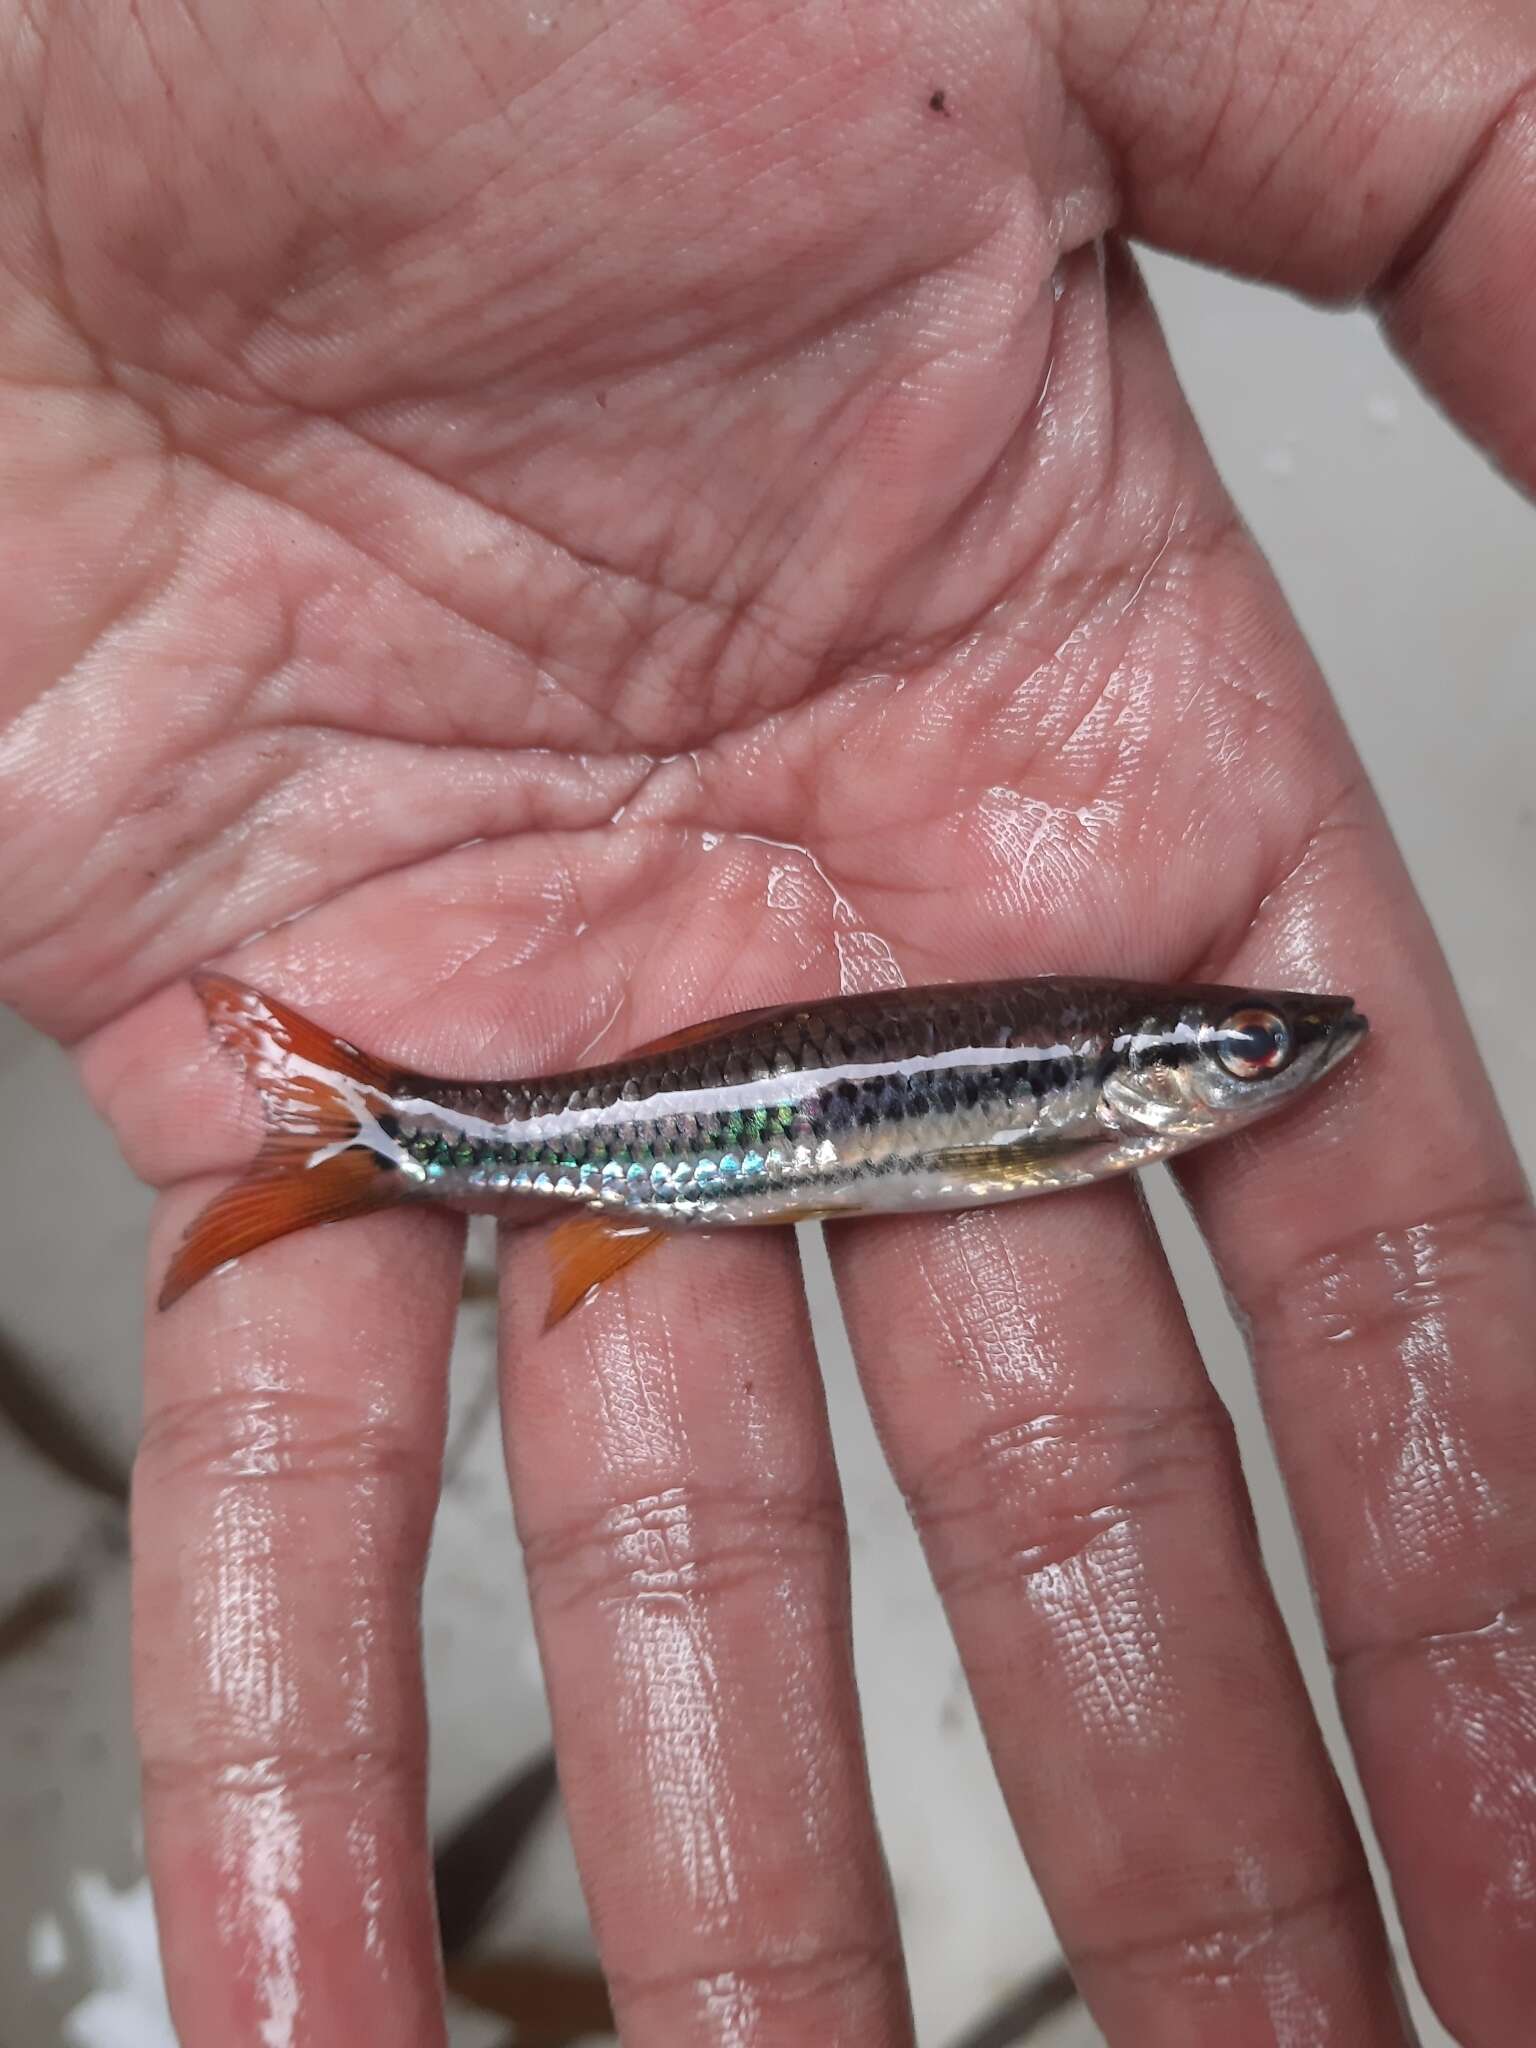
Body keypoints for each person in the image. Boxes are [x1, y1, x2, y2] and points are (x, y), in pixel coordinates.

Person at [2, 3, 1532, 2042]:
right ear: (1159, 1072)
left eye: (1252, 1053)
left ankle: (397, 1138)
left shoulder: (1106, 1091)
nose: (1275, 1064)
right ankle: (389, 1137)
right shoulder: (1091, 1098)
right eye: (1246, 1054)